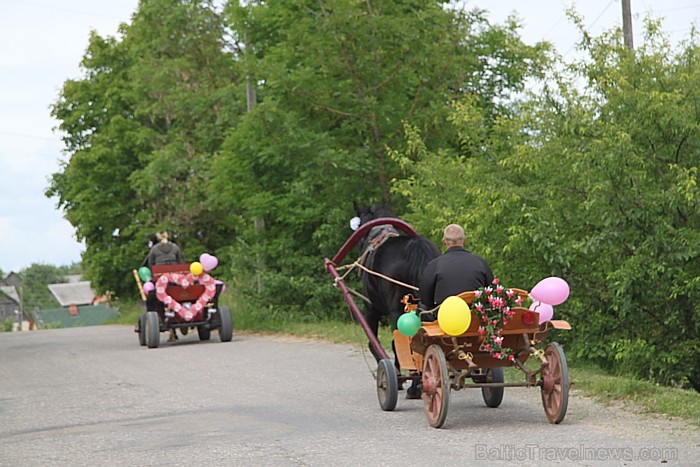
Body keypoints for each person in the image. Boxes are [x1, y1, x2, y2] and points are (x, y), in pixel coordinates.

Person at [418, 223, 494, 316]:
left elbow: (425, 299)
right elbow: (491, 292)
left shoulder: (434, 265)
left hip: (445, 320)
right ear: (464, 240)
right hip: (476, 319)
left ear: (444, 241)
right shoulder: (480, 263)